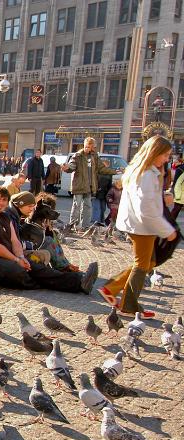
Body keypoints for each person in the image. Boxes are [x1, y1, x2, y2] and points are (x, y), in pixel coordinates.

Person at [0, 185, 99, 293]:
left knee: (35, 267)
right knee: (18, 271)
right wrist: (16, 259)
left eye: (4, 200)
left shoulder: (4, 216)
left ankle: (79, 281)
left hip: (5, 256)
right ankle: (43, 284)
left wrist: (21, 257)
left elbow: (14, 241)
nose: (1, 203)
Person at [99, 135, 176, 318]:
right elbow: (146, 209)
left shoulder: (140, 171)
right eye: (165, 155)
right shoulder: (147, 174)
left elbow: (145, 202)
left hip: (138, 224)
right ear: (154, 152)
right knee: (143, 265)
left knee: (147, 263)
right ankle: (125, 301)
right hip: (143, 226)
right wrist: (167, 230)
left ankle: (117, 292)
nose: (166, 159)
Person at [61, 137, 115, 230]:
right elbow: (72, 165)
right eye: (88, 146)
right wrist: (67, 167)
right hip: (79, 186)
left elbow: (101, 168)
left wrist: (114, 171)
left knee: (88, 206)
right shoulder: (77, 156)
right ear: (85, 145)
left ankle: (85, 226)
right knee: (76, 206)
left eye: (91, 147)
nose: (90, 149)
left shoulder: (94, 156)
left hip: (89, 187)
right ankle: (73, 225)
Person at [34, 192, 80, 272]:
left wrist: (50, 229)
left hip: (41, 240)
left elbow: (49, 233)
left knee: (54, 237)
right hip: (36, 243)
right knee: (50, 240)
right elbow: (41, 234)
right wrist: (47, 229)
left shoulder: (46, 219)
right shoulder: (36, 217)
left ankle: (65, 263)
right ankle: (62, 266)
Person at [91, 159, 113, 224]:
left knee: (103, 208)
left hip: (104, 193)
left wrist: (110, 193)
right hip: (96, 193)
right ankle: (96, 221)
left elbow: (109, 184)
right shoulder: (96, 172)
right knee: (97, 208)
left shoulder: (109, 174)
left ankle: (101, 220)